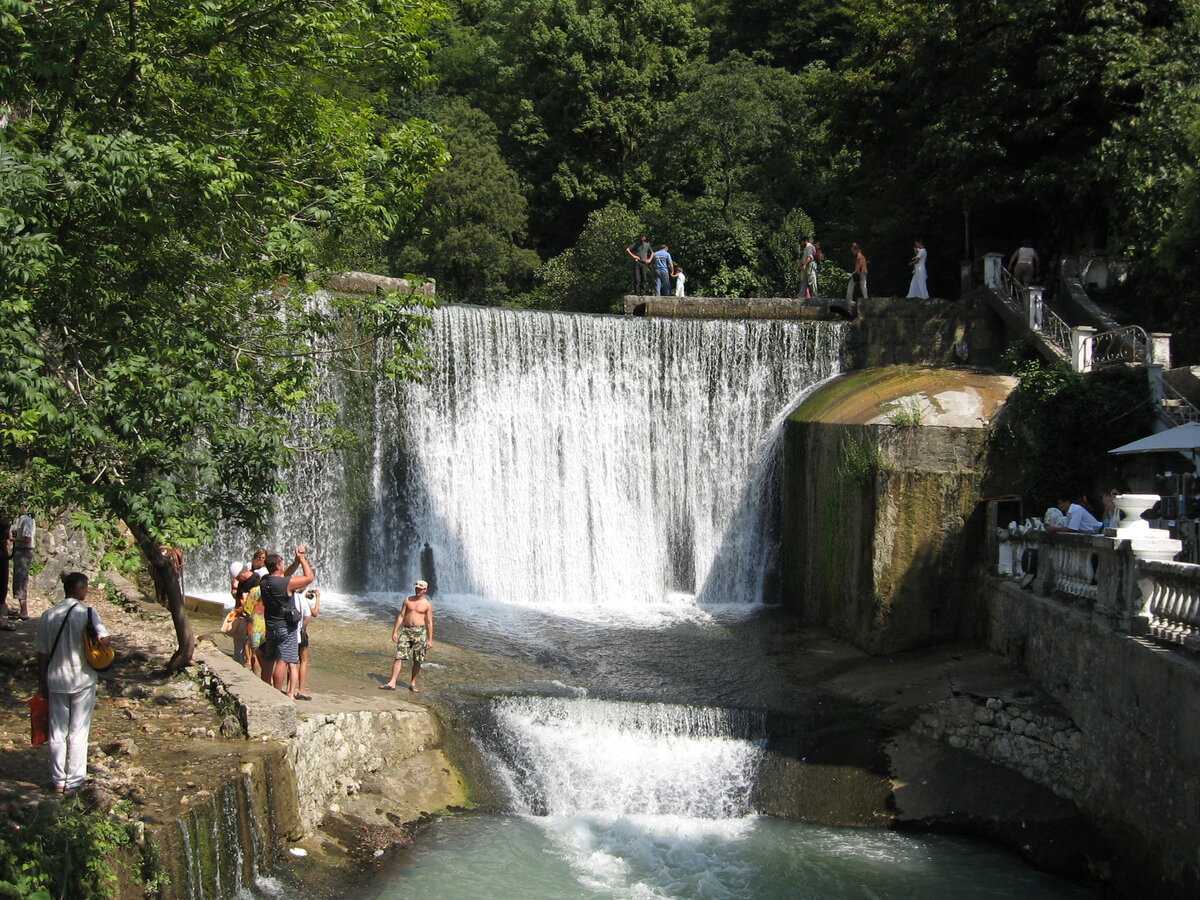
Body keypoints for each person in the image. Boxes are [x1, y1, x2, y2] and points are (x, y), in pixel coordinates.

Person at [35, 572, 110, 794]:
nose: (86, 591)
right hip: (83, 679)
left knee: (57, 731)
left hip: (56, 678)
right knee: (79, 731)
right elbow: (105, 640)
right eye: (85, 587)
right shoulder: (88, 613)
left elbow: (42, 653)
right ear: (80, 590)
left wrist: (42, 681)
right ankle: (75, 780)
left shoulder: (48, 615)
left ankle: (58, 781)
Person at [258, 547, 314, 699]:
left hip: (271, 626)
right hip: (286, 628)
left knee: (269, 658)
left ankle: (265, 689)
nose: (283, 566)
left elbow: (285, 574)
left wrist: (295, 562)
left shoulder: (265, 581)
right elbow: (309, 577)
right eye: (282, 563)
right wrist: (302, 559)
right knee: (282, 660)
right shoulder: (284, 584)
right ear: (277, 566)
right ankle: (276, 693)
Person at [380, 580, 434, 693]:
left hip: (420, 632)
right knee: (399, 656)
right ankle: (392, 682)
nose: (417, 590)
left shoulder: (427, 604)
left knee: (418, 659)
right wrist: (395, 631)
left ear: (425, 590)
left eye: (420, 589)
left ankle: (413, 683)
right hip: (406, 630)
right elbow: (401, 616)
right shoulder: (408, 600)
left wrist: (430, 640)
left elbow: (429, 623)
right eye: (416, 588)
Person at [294, 586, 320, 701]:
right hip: (301, 632)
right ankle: (301, 690)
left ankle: (291, 689)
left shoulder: (293, 597)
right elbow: (314, 613)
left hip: (291, 632)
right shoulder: (303, 599)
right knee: (303, 660)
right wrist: (318, 598)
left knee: (292, 662)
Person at [10, 508, 35, 619]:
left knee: (21, 579)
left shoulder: (26, 520)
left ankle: (24, 611)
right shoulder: (21, 519)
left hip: (24, 551)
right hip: (20, 550)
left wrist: (11, 539)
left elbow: (27, 539)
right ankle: (22, 609)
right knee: (19, 579)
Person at [0, 511, 12, 629]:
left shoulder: (6, 524)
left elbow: (8, 540)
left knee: (2, 587)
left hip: (3, 556)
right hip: (3, 556)